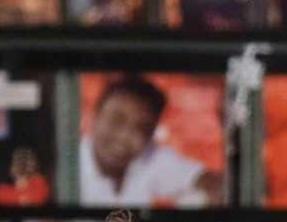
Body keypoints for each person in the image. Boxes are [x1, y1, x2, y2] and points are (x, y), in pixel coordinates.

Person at [78, 73, 221, 208]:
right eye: (116, 120)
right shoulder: (68, 167)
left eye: (141, 128)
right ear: (94, 116)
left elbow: (209, 181)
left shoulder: (150, 156)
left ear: (150, 135)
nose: (125, 137)